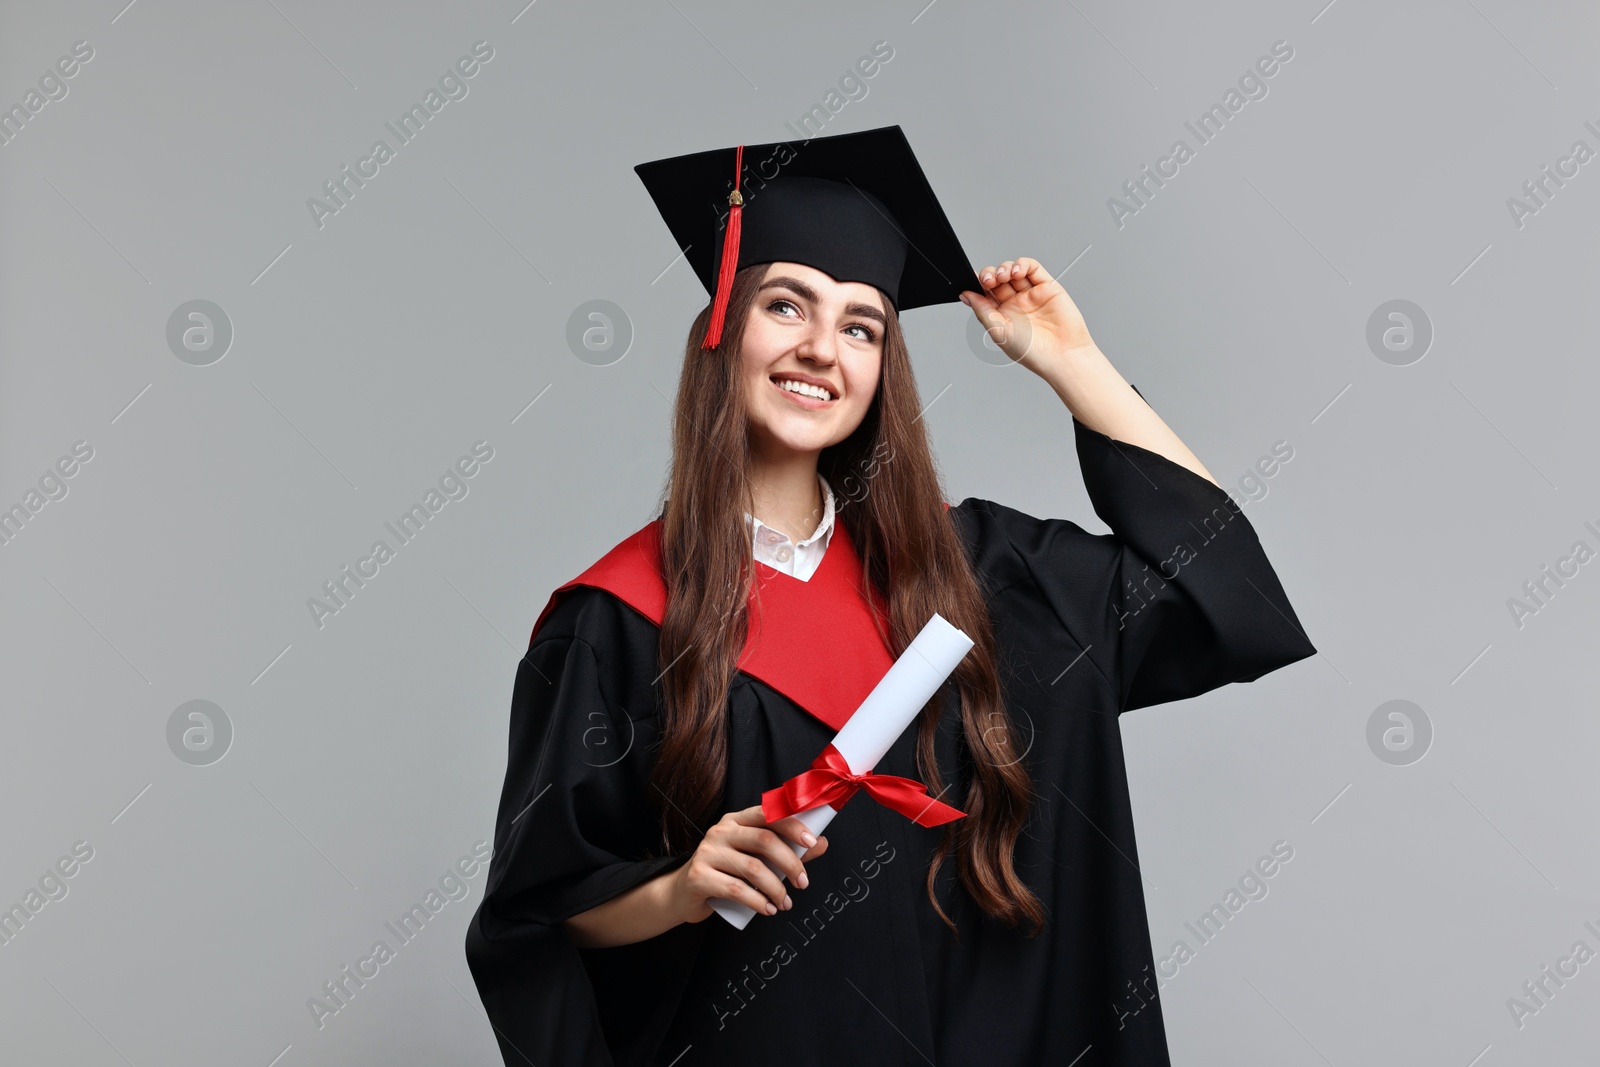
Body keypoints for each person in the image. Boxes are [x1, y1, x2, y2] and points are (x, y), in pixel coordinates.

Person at [464, 125, 1316, 1066]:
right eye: (787, 306)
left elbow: (1223, 590)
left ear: (882, 371)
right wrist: (683, 885)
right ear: (723, 327)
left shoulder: (979, 573)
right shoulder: (618, 619)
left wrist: (1073, 361)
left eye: (861, 326)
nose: (824, 349)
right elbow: (539, 916)